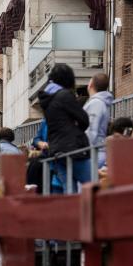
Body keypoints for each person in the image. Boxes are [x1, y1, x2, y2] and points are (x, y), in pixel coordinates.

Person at [37, 64, 90, 193]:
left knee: (69, 192)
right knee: (92, 185)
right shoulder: (64, 95)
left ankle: (74, 214)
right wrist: (77, 128)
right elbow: (84, 119)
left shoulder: (47, 100)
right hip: (73, 149)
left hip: (56, 152)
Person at [84, 73, 113, 168]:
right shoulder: (99, 103)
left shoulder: (96, 103)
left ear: (91, 85)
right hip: (96, 151)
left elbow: (91, 129)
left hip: (94, 153)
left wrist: (84, 150)